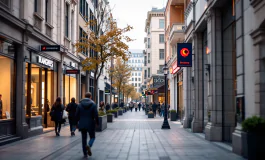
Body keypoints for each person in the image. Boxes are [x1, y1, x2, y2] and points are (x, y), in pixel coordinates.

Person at [76, 92, 99, 157]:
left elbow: (77, 115)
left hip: (82, 123)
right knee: (92, 137)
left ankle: (85, 153)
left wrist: (76, 123)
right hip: (91, 123)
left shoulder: (79, 105)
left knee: (84, 138)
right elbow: (96, 115)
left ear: (84, 96)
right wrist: (97, 122)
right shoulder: (93, 104)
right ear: (90, 97)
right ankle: (89, 145)